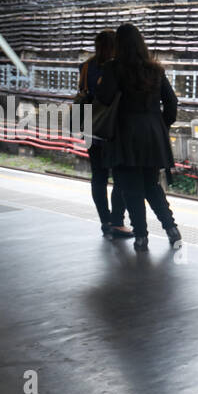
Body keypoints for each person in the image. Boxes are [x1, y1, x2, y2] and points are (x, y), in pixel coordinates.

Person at [95, 23, 182, 252]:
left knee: (131, 188)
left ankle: (141, 237)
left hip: (125, 135)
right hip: (153, 135)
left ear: (119, 46)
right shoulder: (155, 69)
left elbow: (103, 99)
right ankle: (172, 229)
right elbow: (171, 103)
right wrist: (161, 125)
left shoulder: (114, 68)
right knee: (152, 185)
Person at [75, 29, 132, 239]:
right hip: (114, 129)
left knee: (98, 177)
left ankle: (104, 221)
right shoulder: (119, 67)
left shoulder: (86, 66)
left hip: (92, 128)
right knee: (120, 177)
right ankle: (117, 222)